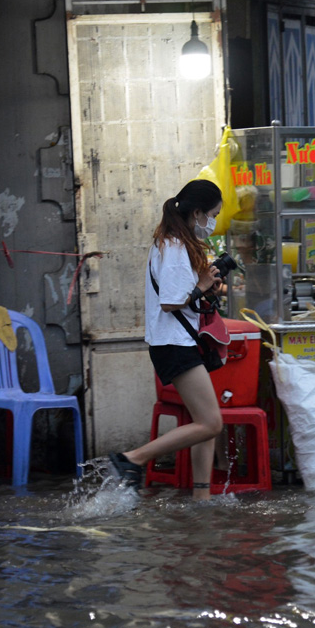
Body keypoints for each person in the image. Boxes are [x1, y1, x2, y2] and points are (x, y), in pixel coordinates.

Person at [107, 179, 226, 500]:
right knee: (211, 423)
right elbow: (172, 300)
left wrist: (205, 286)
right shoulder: (173, 246)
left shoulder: (175, 243)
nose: (212, 222)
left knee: (204, 421)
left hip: (178, 342)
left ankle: (202, 498)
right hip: (174, 344)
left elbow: (182, 294)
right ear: (197, 212)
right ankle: (133, 459)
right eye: (212, 214)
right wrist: (201, 286)